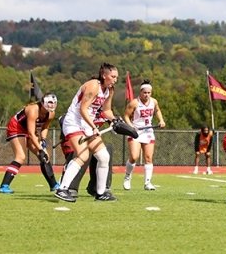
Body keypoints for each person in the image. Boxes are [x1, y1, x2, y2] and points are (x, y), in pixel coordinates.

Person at [54, 63, 120, 202]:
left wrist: (114, 120)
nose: (115, 79)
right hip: (74, 122)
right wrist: (94, 127)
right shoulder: (93, 86)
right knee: (83, 155)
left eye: (116, 77)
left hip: (87, 124)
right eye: (113, 76)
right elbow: (82, 109)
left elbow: (106, 111)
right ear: (104, 75)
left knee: (104, 157)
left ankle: (101, 193)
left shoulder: (109, 90)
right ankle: (62, 189)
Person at [0, 93, 59, 194]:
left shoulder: (51, 113)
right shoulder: (33, 110)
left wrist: (43, 140)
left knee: (44, 156)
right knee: (21, 157)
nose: (52, 105)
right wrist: (39, 148)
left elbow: (45, 127)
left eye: (54, 103)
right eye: (50, 102)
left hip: (29, 129)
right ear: (43, 102)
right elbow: (31, 134)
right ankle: (4, 186)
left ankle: (54, 185)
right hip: (17, 127)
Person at [122, 79, 166, 191]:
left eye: (148, 93)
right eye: (144, 92)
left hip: (148, 132)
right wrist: (131, 126)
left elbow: (157, 110)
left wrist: (161, 120)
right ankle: (127, 177)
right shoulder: (134, 103)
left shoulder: (154, 102)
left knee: (148, 157)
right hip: (135, 132)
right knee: (134, 156)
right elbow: (126, 116)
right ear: (140, 92)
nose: (146, 95)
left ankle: (147, 183)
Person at [57, 113, 114, 198]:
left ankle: (100, 189)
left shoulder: (104, 112)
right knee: (83, 154)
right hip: (75, 137)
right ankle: (68, 187)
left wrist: (116, 123)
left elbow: (113, 121)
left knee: (105, 153)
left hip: (90, 135)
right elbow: (64, 119)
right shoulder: (84, 109)